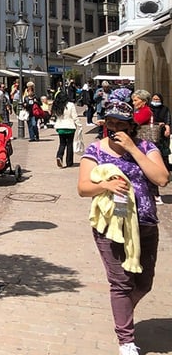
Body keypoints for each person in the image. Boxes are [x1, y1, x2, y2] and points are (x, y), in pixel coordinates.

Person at [77, 100, 169, 355]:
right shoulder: (95, 150)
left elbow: (162, 178)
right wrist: (105, 186)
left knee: (144, 283)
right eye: (110, 123)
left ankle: (123, 311)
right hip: (112, 226)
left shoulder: (147, 147)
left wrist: (133, 150)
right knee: (121, 283)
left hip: (146, 223)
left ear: (131, 126)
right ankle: (126, 340)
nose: (114, 128)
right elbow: (83, 188)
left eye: (120, 124)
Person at [52, 91, 79, 168]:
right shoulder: (70, 105)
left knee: (62, 143)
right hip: (70, 126)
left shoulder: (57, 105)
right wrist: (79, 125)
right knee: (70, 144)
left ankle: (59, 156)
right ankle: (69, 162)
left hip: (60, 126)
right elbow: (75, 116)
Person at [149, 93, 171, 171]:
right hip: (152, 132)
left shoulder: (165, 109)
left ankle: (166, 168)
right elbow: (148, 121)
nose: (155, 101)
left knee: (164, 151)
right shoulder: (149, 109)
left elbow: (168, 120)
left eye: (157, 99)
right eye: (154, 99)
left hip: (162, 132)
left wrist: (167, 128)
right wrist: (157, 123)